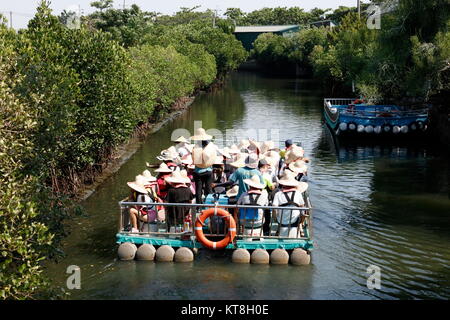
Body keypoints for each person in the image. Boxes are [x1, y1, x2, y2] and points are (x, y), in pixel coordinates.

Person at [272, 171, 308, 238]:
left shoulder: (278, 194)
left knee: (279, 217)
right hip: (295, 221)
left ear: (283, 184)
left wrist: (275, 219)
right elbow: (302, 207)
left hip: (281, 221)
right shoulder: (298, 193)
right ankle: (300, 231)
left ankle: (278, 231)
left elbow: (274, 209)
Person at [190, 128, 216, 204]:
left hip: (198, 172)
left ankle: (198, 205)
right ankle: (209, 204)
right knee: (208, 188)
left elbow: (193, 159)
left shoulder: (196, 147)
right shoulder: (209, 146)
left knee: (198, 189)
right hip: (208, 171)